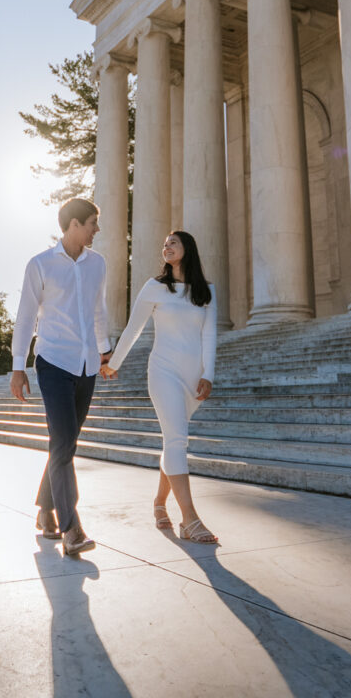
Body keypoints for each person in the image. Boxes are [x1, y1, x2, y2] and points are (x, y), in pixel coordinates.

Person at [101, 230, 220, 545]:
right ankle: (190, 520)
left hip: (193, 377)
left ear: (187, 249)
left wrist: (209, 374)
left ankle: (158, 504)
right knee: (178, 441)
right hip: (163, 371)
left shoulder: (206, 291)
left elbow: (209, 335)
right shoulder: (154, 287)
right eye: (164, 242)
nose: (166, 246)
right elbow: (134, 328)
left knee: (173, 441)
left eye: (173, 242)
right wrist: (114, 362)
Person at [10, 197, 111, 557]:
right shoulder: (40, 265)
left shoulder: (97, 264)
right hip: (52, 362)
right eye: (92, 224)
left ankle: (44, 510)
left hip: (86, 365)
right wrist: (18, 365)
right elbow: (25, 317)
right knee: (64, 441)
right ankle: (71, 528)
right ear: (72, 225)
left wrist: (105, 350)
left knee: (64, 444)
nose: (97, 230)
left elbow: (99, 310)